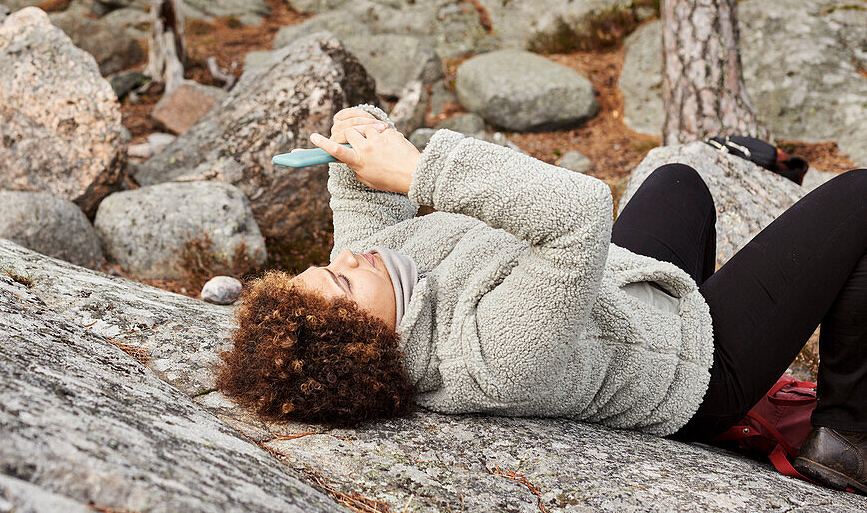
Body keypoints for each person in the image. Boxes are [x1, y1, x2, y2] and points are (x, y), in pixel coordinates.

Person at [217, 105, 867, 494]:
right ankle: (848, 437)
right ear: (370, 341)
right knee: (859, 198)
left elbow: (362, 206)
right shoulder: (485, 354)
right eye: (341, 280)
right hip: (700, 372)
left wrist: (355, 134)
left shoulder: (387, 280)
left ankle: (648, 339)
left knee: (678, 183)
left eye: (323, 266)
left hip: (617, 295)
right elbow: (582, 209)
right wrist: (420, 171)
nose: (345, 258)